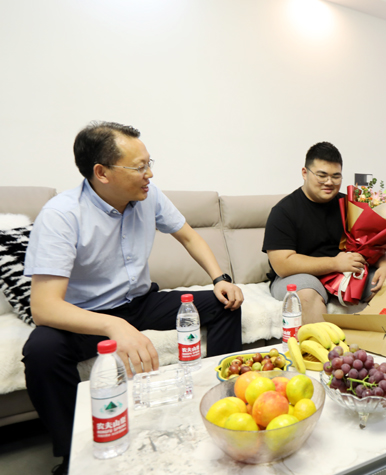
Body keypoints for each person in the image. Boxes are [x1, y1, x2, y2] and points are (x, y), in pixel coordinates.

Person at [22, 121, 244, 475]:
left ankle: (222, 403)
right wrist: (114, 326)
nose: (149, 174)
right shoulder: (61, 215)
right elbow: (44, 307)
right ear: (102, 173)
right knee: (41, 352)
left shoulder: (149, 196)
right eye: (140, 167)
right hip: (87, 317)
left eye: (149, 163)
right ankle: (72, 457)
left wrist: (220, 279)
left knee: (226, 304)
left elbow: (189, 236)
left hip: (141, 302)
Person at [262, 141, 386, 323]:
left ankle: (377, 340)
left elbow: (372, 244)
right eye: (322, 175)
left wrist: (385, 266)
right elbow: (282, 264)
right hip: (299, 276)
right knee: (307, 293)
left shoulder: (350, 206)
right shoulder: (284, 211)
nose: (329, 182)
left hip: (345, 274)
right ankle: (325, 343)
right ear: (305, 173)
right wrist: (335, 263)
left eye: (336, 176)